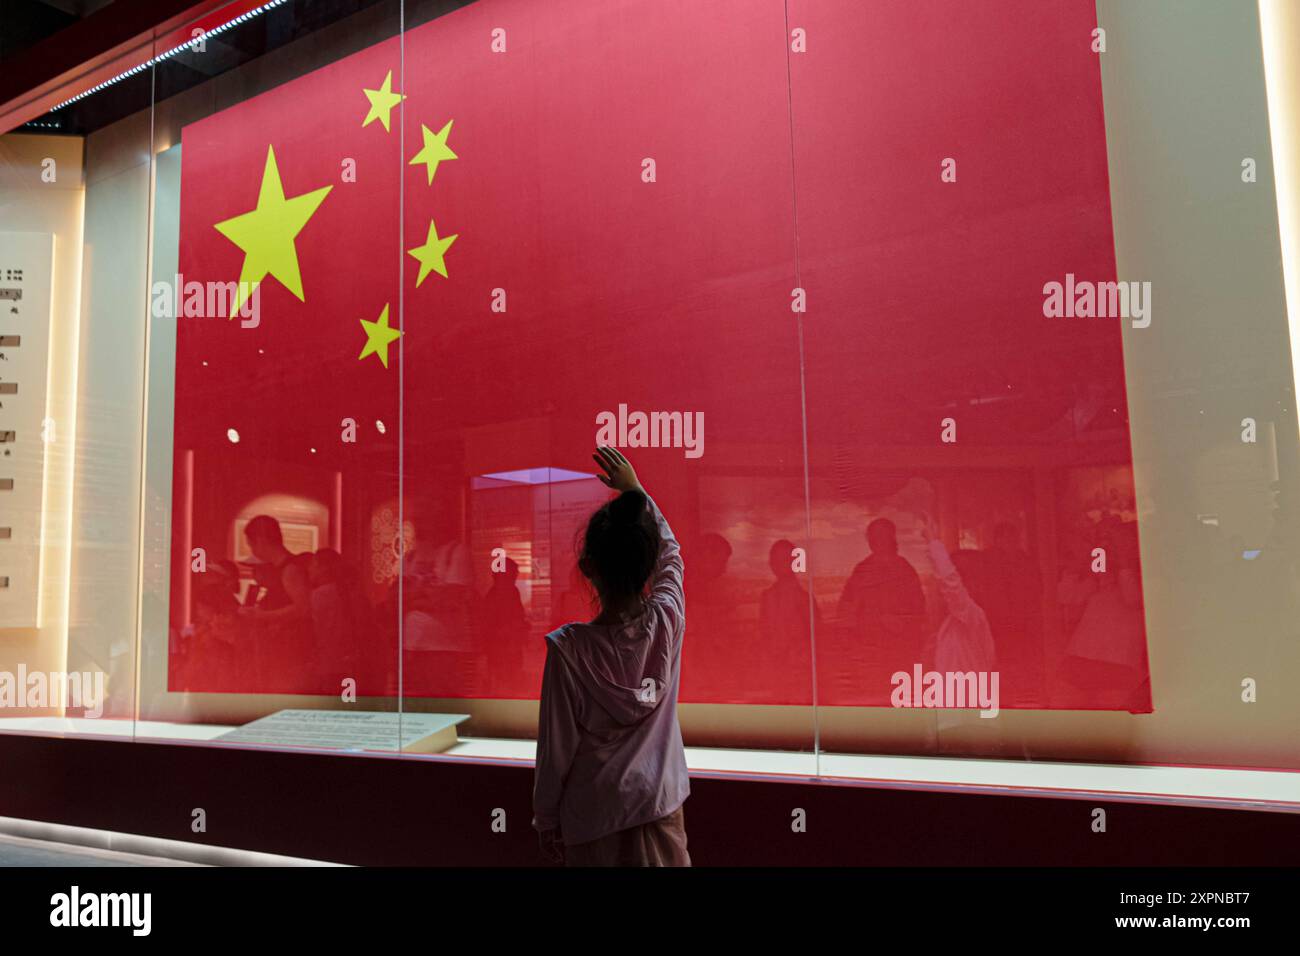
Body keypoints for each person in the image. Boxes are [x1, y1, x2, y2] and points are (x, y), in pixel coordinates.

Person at [533, 447, 690, 867]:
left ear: (587, 567)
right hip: (659, 806)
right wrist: (636, 490)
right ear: (647, 567)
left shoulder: (568, 650)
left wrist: (547, 820)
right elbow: (672, 555)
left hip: (593, 817)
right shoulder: (667, 622)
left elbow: (556, 751)